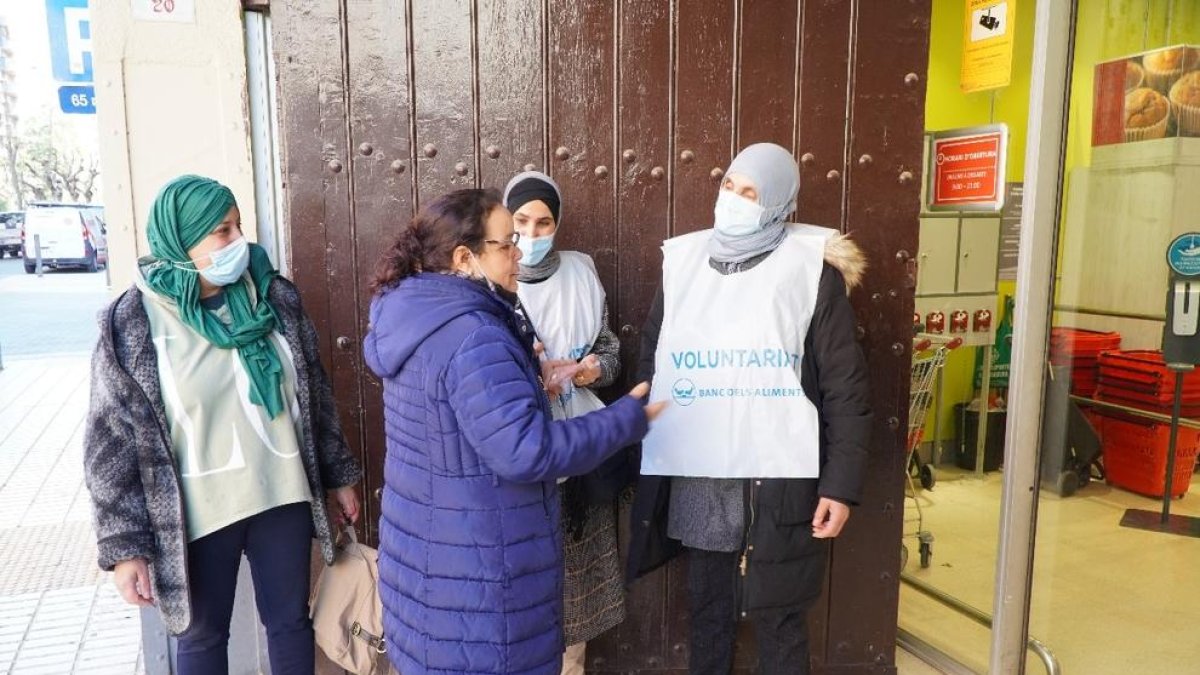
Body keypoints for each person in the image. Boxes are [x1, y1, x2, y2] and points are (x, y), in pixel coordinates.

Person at [363, 188, 665, 675]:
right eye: (506, 243)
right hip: (479, 580)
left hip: (429, 565)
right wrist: (626, 419)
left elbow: (464, 426)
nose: (519, 251)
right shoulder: (474, 334)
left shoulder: (412, 313)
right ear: (466, 258)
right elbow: (528, 451)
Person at [83, 175, 362, 675]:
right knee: (203, 638)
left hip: (282, 495)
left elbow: (314, 391)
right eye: (221, 232)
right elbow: (109, 446)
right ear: (181, 241)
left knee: (291, 624)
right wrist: (124, 548)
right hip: (199, 512)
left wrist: (339, 475)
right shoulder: (131, 322)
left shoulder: (273, 297)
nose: (239, 242)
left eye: (238, 226)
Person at [626, 143, 872, 674]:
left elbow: (844, 389)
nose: (733, 199)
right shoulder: (686, 266)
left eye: (750, 192)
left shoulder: (810, 272)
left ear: (780, 204)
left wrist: (839, 487)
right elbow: (655, 356)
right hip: (702, 478)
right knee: (708, 611)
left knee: (781, 620)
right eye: (729, 186)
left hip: (776, 480)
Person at [504, 171, 628, 675]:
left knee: (574, 602)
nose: (531, 236)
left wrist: (594, 369)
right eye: (520, 222)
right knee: (522, 598)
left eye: (544, 222)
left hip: (576, 456)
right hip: (520, 460)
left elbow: (610, 350)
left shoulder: (580, 273)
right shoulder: (488, 279)